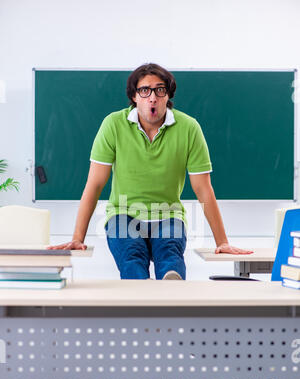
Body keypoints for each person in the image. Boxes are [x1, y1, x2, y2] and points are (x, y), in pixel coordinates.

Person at [47, 63, 252, 279]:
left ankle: (171, 293)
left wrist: (222, 242)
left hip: (168, 214)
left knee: (169, 254)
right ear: (134, 96)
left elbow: (203, 188)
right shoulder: (113, 125)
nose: (152, 97)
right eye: (144, 90)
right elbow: (95, 184)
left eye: (159, 90)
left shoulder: (189, 128)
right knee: (131, 256)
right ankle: (140, 301)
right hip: (122, 214)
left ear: (167, 95)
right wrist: (78, 237)